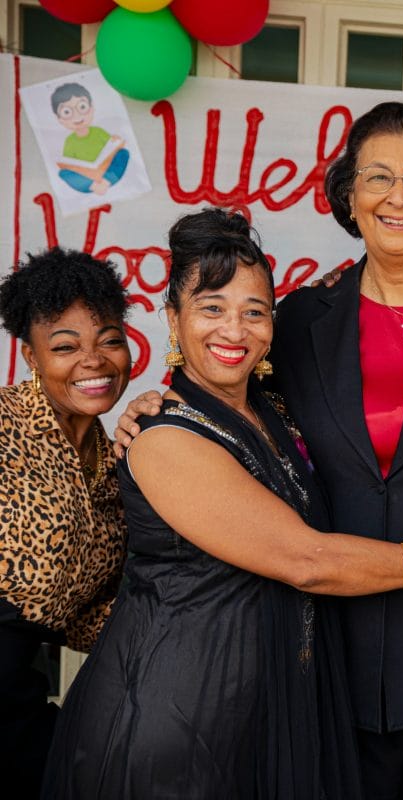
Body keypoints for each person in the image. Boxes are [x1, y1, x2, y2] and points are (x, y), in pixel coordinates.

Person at [117, 103, 403, 798]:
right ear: (349, 197)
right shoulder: (299, 320)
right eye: (379, 178)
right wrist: (156, 403)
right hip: (334, 663)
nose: (399, 197)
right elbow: (236, 414)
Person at [44, 208, 403, 799]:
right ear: (173, 319)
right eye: (211, 308)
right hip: (178, 721)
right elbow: (308, 561)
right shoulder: (164, 438)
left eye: (254, 312)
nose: (235, 330)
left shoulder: (272, 410)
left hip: (261, 712)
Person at [0, 249, 132, 796]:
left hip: (18, 698)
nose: (94, 360)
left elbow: (81, 616)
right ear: (32, 357)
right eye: (65, 347)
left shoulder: (120, 460)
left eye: (108, 339)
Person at [51, 83, 129, 196]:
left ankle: (106, 182)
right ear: (60, 120)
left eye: (82, 107)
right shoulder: (70, 141)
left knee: (123, 153)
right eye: (67, 112)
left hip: (106, 171)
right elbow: (69, 163)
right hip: (87, 179)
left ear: (91, 109)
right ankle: (94, 186)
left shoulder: (98, 131)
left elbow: (110, 146)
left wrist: (115, 141)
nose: (77, 116)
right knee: (63, 173)